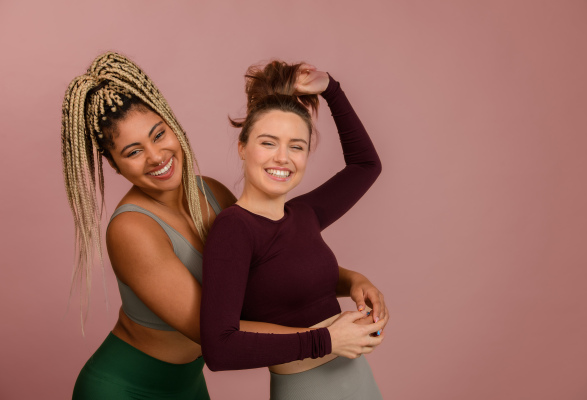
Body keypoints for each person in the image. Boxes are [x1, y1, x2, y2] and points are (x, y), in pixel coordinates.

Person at [61, 52, 388, 399]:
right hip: (124, 388)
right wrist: (328, 337)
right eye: (132, 151)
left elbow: (268, 266)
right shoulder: (131, 230)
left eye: (158, 134)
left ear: (173, 125)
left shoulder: (211, 192)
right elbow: (213, 333)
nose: (156, 156)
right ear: (113, 165)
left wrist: (351, 280)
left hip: (189, 384)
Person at [200, 61, 386, 399]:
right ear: (243, 147)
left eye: (296, 146)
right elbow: (219, 347)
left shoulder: (304, 214)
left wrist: (331, 89)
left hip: (361, 385)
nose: (283, 157)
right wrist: (328, 340)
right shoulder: (234, 228)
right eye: (269, 143)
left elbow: (366, 164)